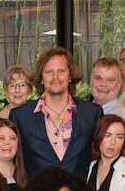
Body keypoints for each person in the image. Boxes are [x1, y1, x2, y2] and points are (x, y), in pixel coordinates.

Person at [9, 47, 105, 177]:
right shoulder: (20, 117)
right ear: (41, 78)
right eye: (49, 72)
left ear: (70, 76)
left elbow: (108, 151)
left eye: (61, 71)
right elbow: (8, 158)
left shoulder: (92, 113)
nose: (55, 77)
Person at [89, 57, 125, 153]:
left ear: (120, 84)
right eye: (98, 78)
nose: (103, 84)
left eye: (110, 80)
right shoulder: (81, 112)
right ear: (90, 81)